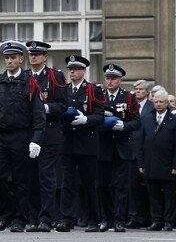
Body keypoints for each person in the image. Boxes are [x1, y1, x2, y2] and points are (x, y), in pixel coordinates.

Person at [0, 41, 46, 232]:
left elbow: (39, 114)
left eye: (13, 58)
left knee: (21, 180)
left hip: (21, 136)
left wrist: (36, 140)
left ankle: (19, 218)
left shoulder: (30, 83)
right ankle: (4, 215)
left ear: (21, 59)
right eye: (7, 58)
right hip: (0, 136)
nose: (9, 61)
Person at [55, 55, 104, 233]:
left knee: (89, 183)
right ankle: (66, 219)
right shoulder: (64, 90)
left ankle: (93, 219)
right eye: (70, 69)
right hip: (67, 142)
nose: (72, 72)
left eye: (76, 69)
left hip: (87, 142)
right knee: (67, 182)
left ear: (84, 71)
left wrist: (86, 119)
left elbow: (100, 116)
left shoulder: (93, 90)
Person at [24, 40, 67, 232]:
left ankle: (47, 218)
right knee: (31, 177)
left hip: (49, 134)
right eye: (31, 54)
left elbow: (63, 105)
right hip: (29, 133)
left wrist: (45, 108)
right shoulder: (24, 77)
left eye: (37, 54)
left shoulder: (54, 77)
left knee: (47, 178)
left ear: (45, 57)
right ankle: (33, 217)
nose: (33, 57)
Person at [97, 64, 140, 232]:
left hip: (122, 146)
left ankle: (120, 220)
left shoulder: (129, 97)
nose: (110, 81)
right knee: (102, 184)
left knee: (121, 186)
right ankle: (106, 218)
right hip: (103, 146)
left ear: (120, 80)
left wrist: (124, 125)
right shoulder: (99, 96)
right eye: (108, 78)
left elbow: (136, 121)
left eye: (113, 78)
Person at [138, 88, 176, 232]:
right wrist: (141, 163)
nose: (158, 104)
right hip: (150, 163)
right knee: (154, 195)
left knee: (169, 196)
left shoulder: (175, 120)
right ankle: (156, 220)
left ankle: (169, 221)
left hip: (167, 164)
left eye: (161, 102)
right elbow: (141, 142)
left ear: (166, 103)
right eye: (155, 102)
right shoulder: (147, 118)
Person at [126, 79, 153, 229]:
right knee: (132, 187)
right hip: (132, 151)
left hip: (147, 152)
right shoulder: (130, 106)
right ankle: (134, 216)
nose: (137, 91)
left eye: (141, 89)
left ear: (147, 92)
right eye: (136, 89)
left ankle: (149, 216)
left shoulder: (151, 107)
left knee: (149, 187)